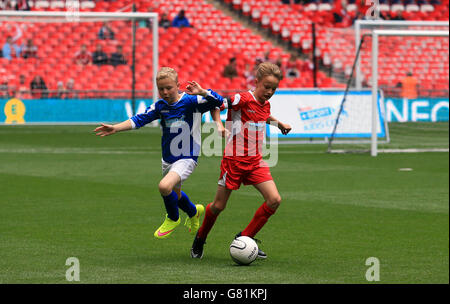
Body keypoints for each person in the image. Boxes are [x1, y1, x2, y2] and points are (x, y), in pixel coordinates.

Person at [94, 67, 225, 240]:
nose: (165, 92)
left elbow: (219, 101)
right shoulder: (160, 106)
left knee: (164, 187)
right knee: (175, 195)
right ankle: (194, 212)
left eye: (169, 88)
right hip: (168, 158)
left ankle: (173, 218)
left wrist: (203, 92)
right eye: (161, 88)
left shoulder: (192, 102)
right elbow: (138, 119)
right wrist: (115, 128)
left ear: (177, 86)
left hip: (187, 156)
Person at [190, 62, 292, 259]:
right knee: (218, 206)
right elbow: (218, 104)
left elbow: (264, 114)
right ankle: (200, 237)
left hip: (255, 162)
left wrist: (279, 124)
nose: (269, 92)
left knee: (274, 200)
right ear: (257, 82)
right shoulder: (242, 98)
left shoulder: (265, 103)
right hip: (234, 161)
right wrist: (219, 125)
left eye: (273, 89)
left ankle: (245, 239)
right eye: (266, 87)